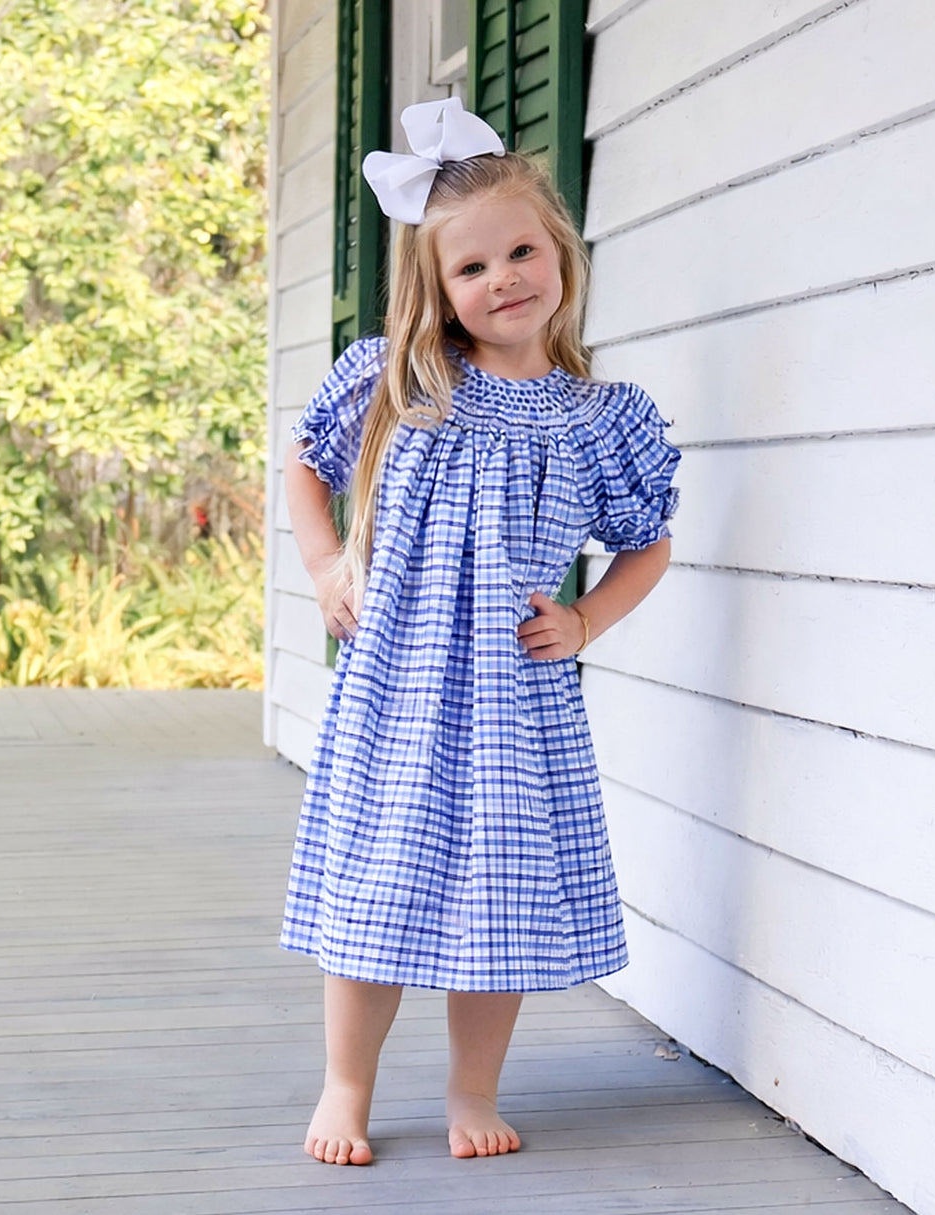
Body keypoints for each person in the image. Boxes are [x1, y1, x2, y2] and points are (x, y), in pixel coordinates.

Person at [280, 97, 680, 1167]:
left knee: (491, 898)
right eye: (470, 268)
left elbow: (648, 543)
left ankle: (470, 1091)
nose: (502, 278)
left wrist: (586, 614)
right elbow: (306, 470)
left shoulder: (601, 417)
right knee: (379, 886)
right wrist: (326, 567)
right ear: (436, 286)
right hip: (399, 682)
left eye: (520, 250)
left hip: (514, 691)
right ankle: (345, 1086)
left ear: (559, 252)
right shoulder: (401, 378)